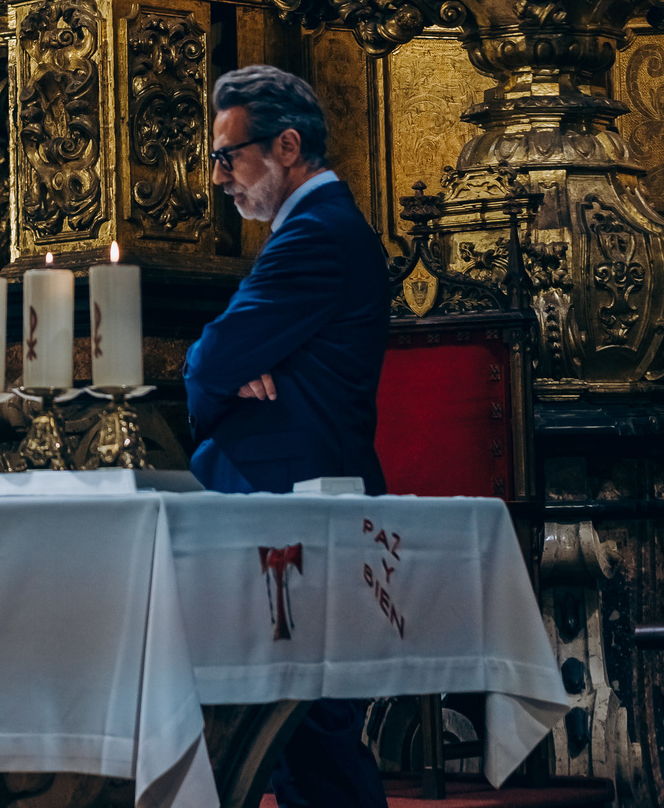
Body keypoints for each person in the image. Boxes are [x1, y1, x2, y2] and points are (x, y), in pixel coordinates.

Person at [185, 64, 391, 808]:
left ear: (288, 146)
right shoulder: (312, 228)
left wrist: (220, 367)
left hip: (299, 501)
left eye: (228, 156)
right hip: (289, 499)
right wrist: (231, 365)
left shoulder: (315, 233)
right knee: (292, 739)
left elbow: (211, 359)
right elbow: (227, 358)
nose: (218, 177)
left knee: (309, 734)